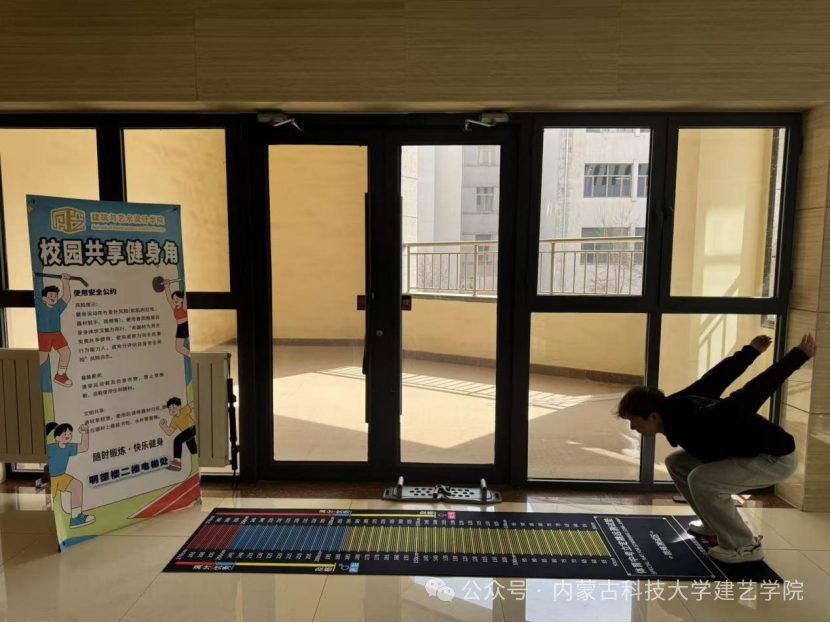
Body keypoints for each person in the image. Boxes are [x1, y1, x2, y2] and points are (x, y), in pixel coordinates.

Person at [616, 333, 817, 564]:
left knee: (703, 480)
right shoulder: (671, 407)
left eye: (634, 421)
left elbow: (754, 391)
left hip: (774, 458)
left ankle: (745, 545)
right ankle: (713, 524)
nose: (632, 427)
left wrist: (798, 356)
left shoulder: (701, 419)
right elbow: (716, 378)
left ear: (652, 417)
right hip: (745, 452)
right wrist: (750, 352)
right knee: (677, 462)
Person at [46, 422, 95, 528]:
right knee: (51, 499)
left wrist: (85, 433)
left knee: (77, 486)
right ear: (57, 438)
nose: (68, 435)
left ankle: (75, 518)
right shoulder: (51, 448)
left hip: (61, 476)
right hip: (51, 478)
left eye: (69, 433)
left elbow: (84, 447)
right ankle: (50, 519)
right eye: (65, 434)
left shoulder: (69, 447)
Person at [36, 274, 73, 387]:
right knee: (42, 358)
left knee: (66, 352)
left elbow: (66, 297)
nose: (53, 297)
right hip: (43, 335)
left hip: (57, 334)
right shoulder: (40, 306)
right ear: (44, 298)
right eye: (50, 295)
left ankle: (60, 375)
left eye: (55, 296)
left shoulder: (58, 307)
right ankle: (30, 373)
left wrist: (65, 282)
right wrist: (30, 278)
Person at [159, 397, 198, 472]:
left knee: (177, 440)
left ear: (179, 406)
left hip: (192, 428)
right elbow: (169, 432)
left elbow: (192, 404)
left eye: (173, 407)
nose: (172, 410)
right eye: (170, 409)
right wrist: (163, 425)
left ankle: (177, 462)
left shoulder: (184, 410)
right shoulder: (174, 420)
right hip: (186, 433)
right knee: (194, 451)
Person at [164, 279, 189, 357]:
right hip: (180, 327)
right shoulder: (175, 308)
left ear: (181, 299)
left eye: (177, 298)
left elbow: (185, 295)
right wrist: (166, 286)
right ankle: (192, 356)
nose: (175, 300)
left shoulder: (184, 307)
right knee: (179, 348)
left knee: (194, 344)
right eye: (174, 299)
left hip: (186, 326)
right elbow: (169, 299)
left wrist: (186, 283)